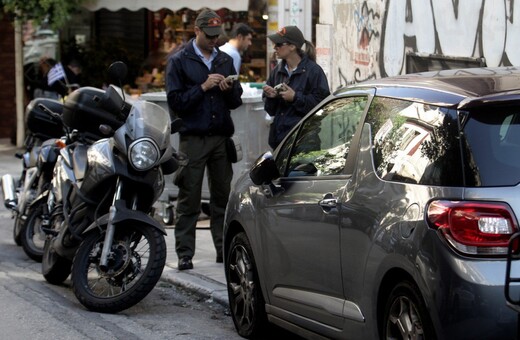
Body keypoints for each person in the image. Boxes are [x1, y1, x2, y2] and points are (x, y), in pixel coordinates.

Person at [165, 9, 243, 271]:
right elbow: (175, 103)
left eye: (216, 36)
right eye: (208, 35)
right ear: (196, 31)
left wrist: (229, 89)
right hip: (193, 138)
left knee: (222, 197)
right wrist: (203, 87)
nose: (213, 40)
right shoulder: (179, 61)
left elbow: (236, 101)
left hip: (220, 137)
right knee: (190, 199)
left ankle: (223, 250)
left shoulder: (223, 60)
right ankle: (185, 254)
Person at [263, 26, 330, 149]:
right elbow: (270, 110)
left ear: (292, 47)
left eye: (278, 44)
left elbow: (322, 107)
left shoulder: (314, 71)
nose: (275, 48)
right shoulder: (277, 71)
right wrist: (271, 97)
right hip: (279, 143)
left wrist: (295, 98)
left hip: (303, 144)